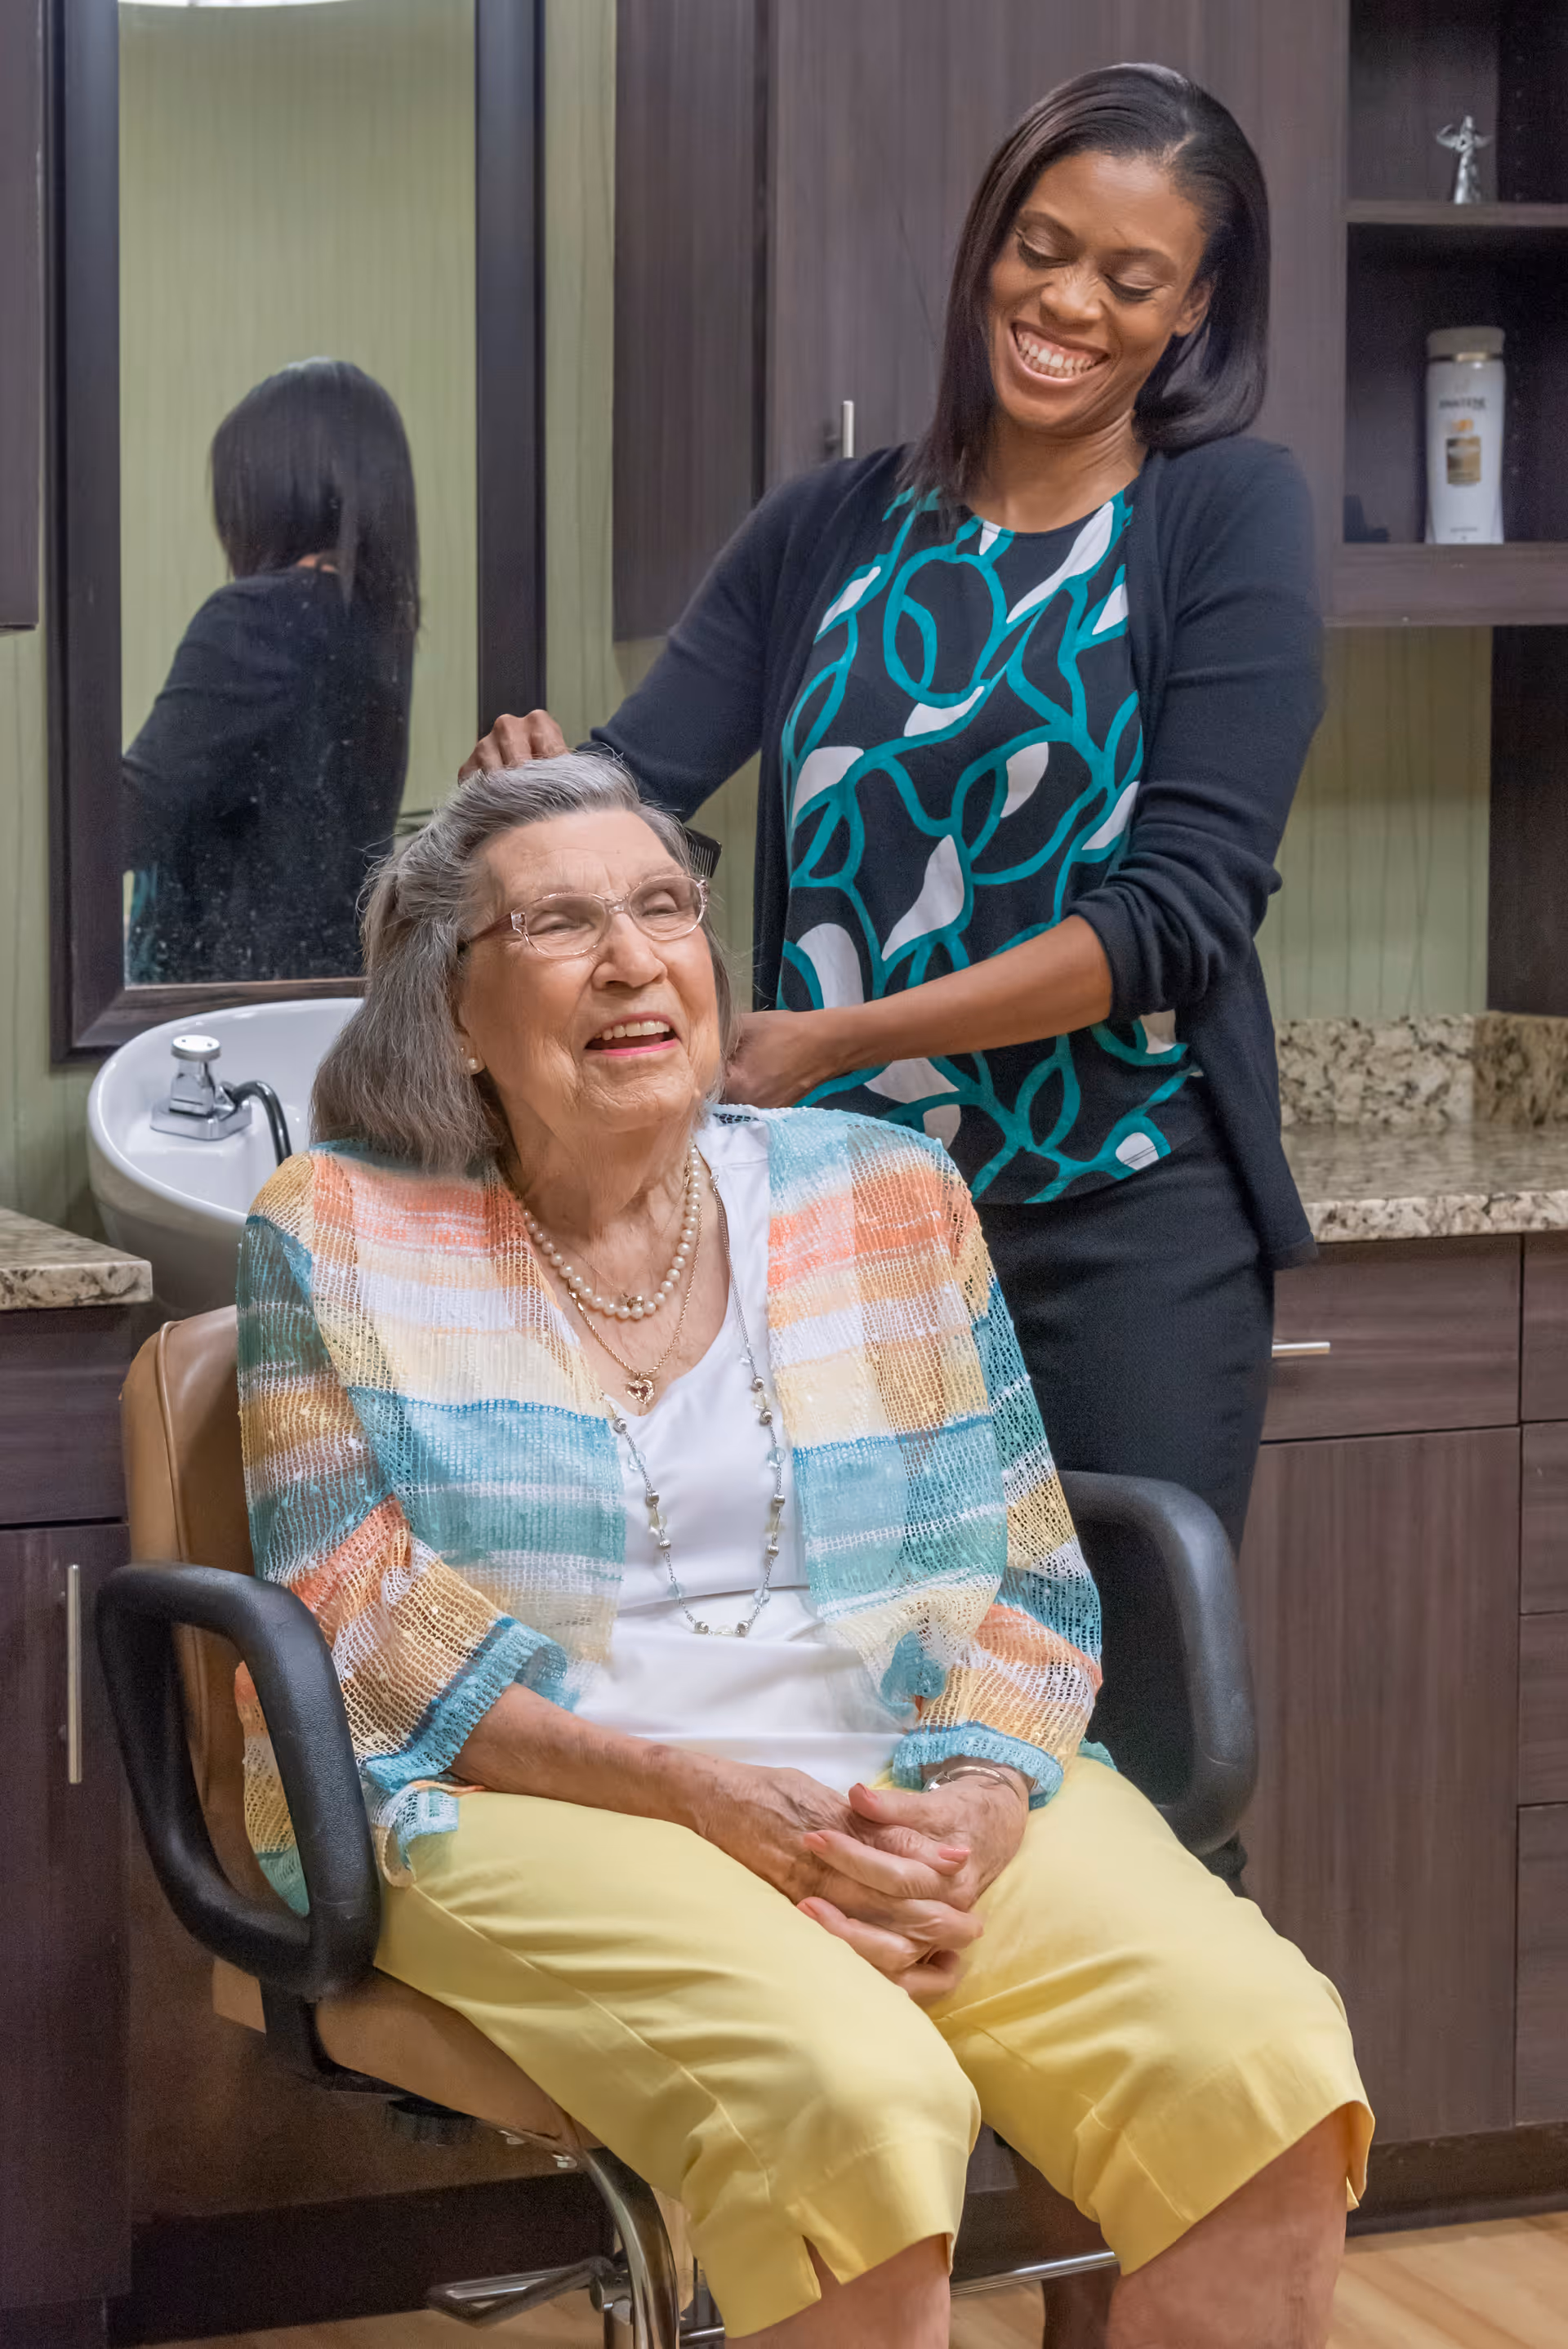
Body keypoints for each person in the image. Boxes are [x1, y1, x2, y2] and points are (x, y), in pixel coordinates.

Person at [238, 755, 1369, 2349]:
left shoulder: (879, 1192)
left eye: (662, 908)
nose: (634, 959)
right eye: (559, 924)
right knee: (857, 2096)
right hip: (542, 1794)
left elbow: (1027, 1571)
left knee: (1257, 2063)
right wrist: (698, 1794)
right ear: (452, 1011)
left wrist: (977, 1800)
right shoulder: (338, 1230)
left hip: (897, 1775)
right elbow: (359, 1631)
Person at [463, 65, 1319, 1571]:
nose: (1068, 303)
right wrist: (529, 802)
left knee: (1126, 1685)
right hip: (845, 1230)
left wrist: (838, 1039)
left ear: (1192, 308)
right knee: (874, 1674)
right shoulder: (830, 527)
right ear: (989, 241)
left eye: (1131, 281)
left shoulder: (1222, 516)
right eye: (1042, 248)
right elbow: (629, 794)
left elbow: (1174, 922)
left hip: (1122, 1231)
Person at [124, 357, 418, 984]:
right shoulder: (377, 625)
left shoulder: (256, 617)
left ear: (273, 493)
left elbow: (128, 823)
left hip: (220, 1001)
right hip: (336, 988)